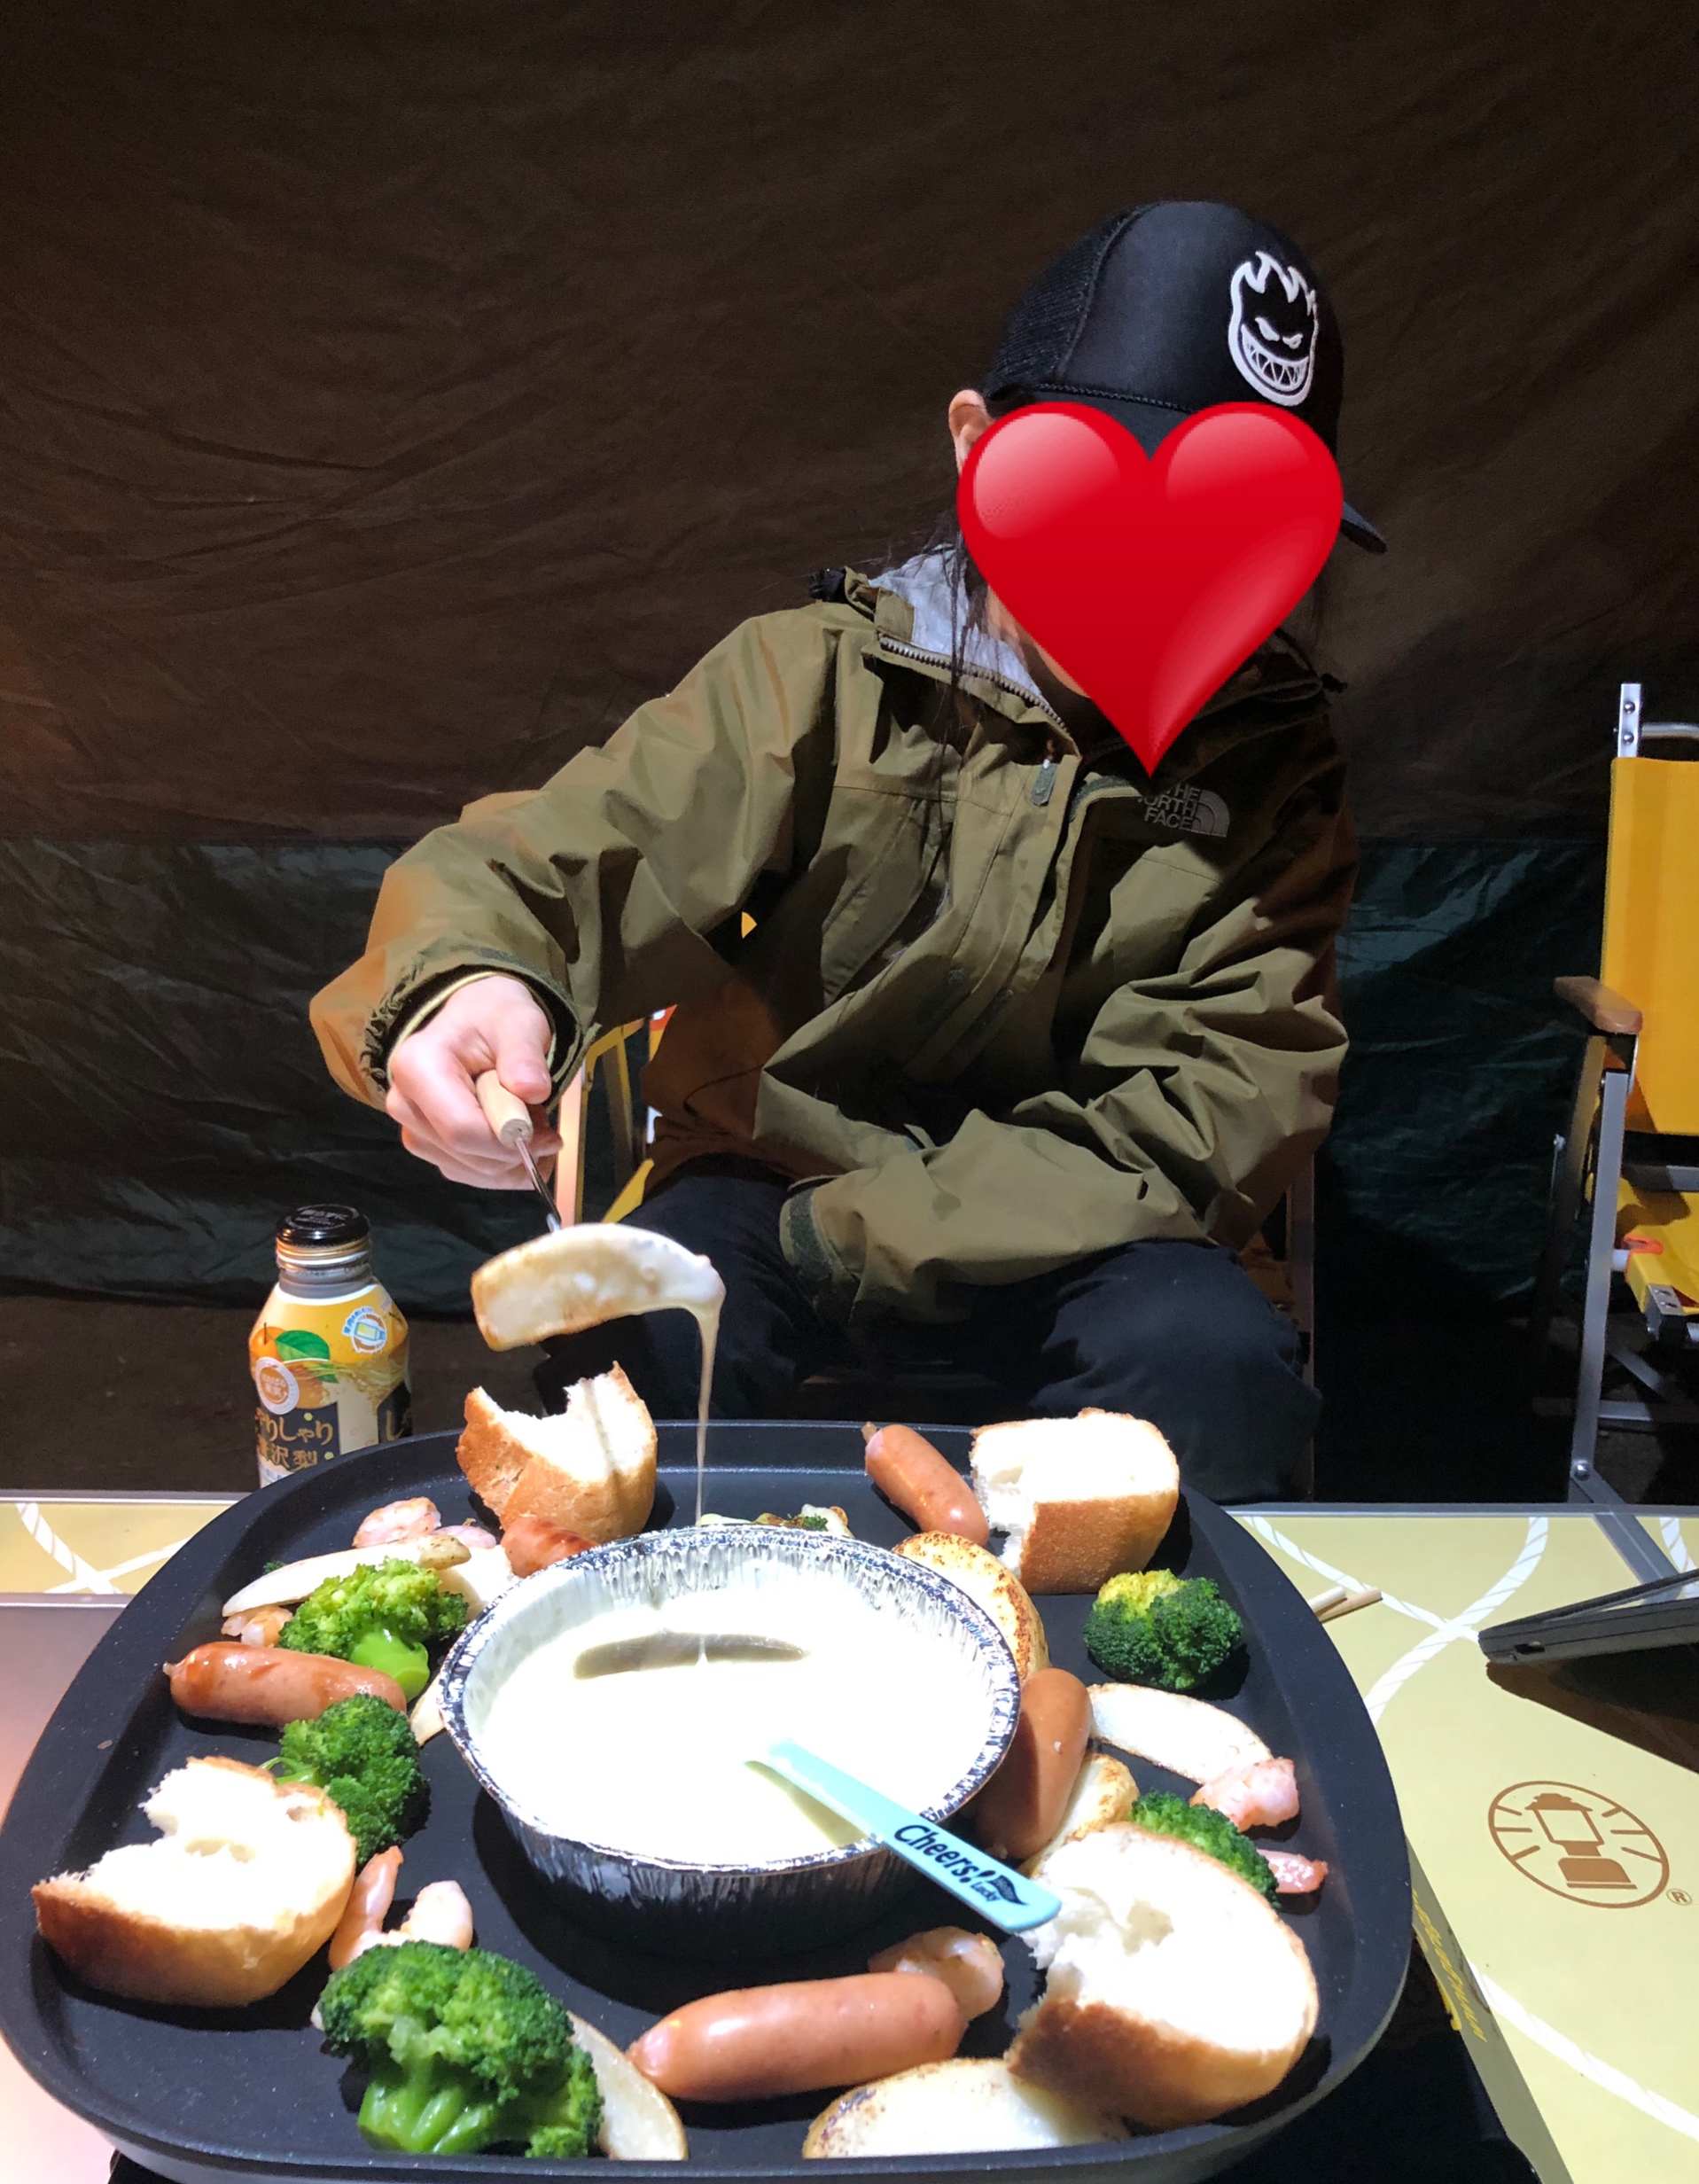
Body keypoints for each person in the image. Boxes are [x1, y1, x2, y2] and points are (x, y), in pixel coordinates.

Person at [312, 199, 1383, 1502]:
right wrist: (469, 980)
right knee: (628, 1357)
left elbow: (1213, 1104)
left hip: (1094, 1226)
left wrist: (852, 1234)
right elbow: (570, 852)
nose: (1157, 572)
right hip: (764, 1186)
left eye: (1228, 527)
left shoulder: (1276, 764)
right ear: (978, 444)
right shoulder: (807, 678)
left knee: (1216, 1376)